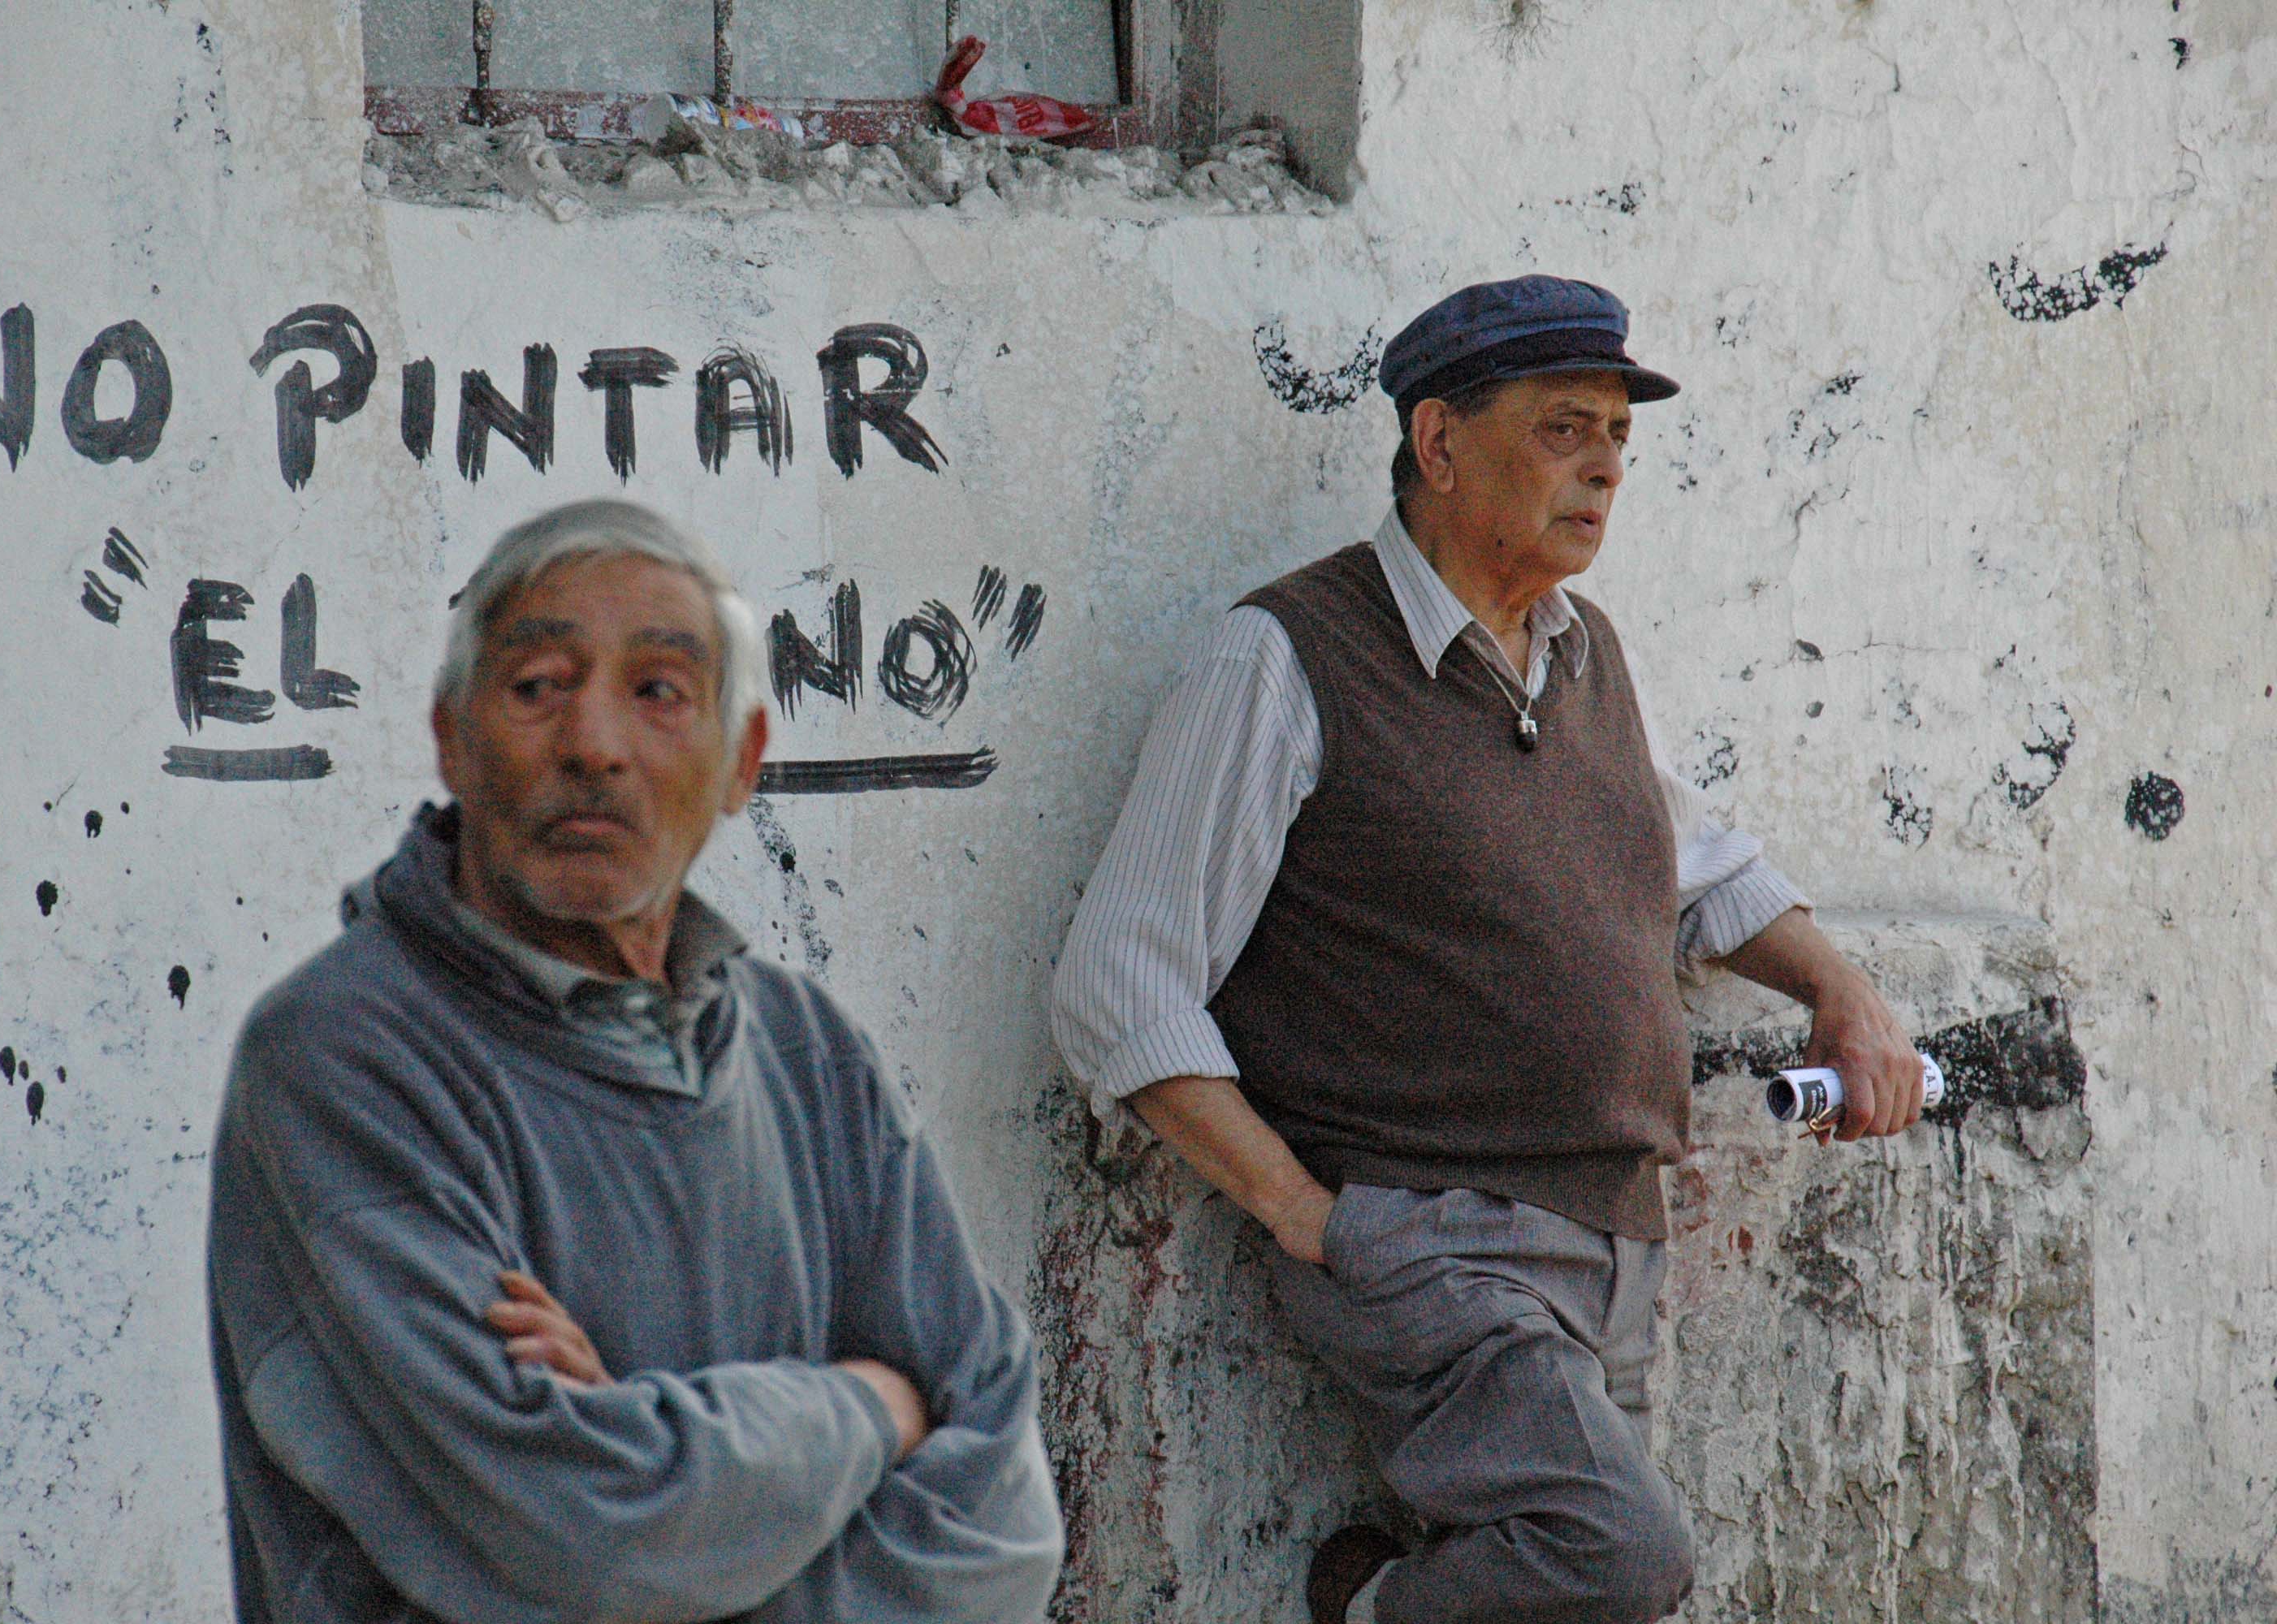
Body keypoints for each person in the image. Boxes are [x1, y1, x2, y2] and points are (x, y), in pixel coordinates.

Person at [1051, 275, 1925, 1624]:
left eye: (1620, 438)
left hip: (1610, 1244)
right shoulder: (1287, 657)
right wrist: (1312, 1217)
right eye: (1568, 428)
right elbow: (1119, 981)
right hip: (1434, 1241)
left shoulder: (1583, 656)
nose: (1606, 468)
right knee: (1619, 1555)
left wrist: (1845, 992)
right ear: (1439, 443)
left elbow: (1704, 865)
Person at [206, 499, 1062, 1624]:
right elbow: (589, 1541)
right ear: (451, 739)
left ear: (741, 760)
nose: (593, 745)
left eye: (658, 691)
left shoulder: (803, 1050)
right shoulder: (345, 1057)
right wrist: (869, 1410)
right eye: (538, 686)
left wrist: (670, 1481)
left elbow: (1005, 1527)